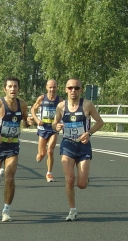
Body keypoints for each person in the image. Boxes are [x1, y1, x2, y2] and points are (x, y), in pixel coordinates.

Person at [0, 76, 33, 222]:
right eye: (10, 86)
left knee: (10, 178)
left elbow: (25, 122)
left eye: (15, 86)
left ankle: (6, 210)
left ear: (18, 89)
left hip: (12, 146)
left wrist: (29, 122)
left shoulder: (22, 104)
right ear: (5, 89)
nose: (13, 89)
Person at [52, 78, 104, 221]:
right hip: (67, 145)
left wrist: (89, 133)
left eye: (76, 88)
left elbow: (100, 122)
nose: (73, 91)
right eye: (70, 88)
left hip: (83, 146)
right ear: (66, 89)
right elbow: (54, 124)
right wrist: (56, 127)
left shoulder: (87, 105)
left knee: (81, 184)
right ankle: (72, 210)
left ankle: (85, 178)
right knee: (69, 179)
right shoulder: (61, 107)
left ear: (81, 90)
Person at [30, 79, 62, 182]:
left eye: (54, 87)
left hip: (53, 128)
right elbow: (32, 110)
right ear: (46, 87)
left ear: (57, 88)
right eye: (50, 87)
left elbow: (65, 112)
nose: (52, 89)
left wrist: (61, 123)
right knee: (41, 154)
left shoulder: (60, 100)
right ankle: (41, 154)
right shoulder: (42, 98)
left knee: (50, 150)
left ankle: (49, 173)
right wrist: (37, 120)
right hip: (43, 128)